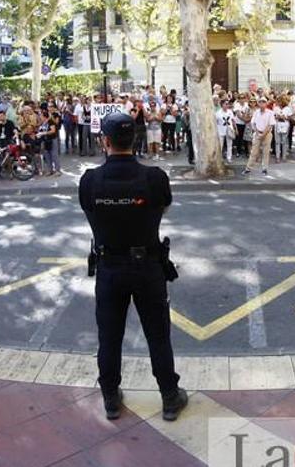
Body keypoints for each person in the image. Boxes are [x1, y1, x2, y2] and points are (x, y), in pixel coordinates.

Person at [78, 113, 187, 422]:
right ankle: (169, 397)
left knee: (109, 337)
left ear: (105, 141)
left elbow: (89, 210)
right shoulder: (155, 178)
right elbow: (162, 207)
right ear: (136, 140)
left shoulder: (89, 181)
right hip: (147, 267)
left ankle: (110, 398)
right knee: (158, 335)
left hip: (109, 268)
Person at [243, 97, 276, 175]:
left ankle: (264, 169)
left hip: (267, 134)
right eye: (260, 102)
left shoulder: (270, 113)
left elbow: (270, 125)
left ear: (266, 103)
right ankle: (248, 168)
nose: (262, 104)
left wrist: (264, 134)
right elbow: (253, 123)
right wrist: (257, 133)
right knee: (253, 152)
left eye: (264, 102)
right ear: (259, 103)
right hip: (257, 133)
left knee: (266, 152)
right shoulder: (256, 112)